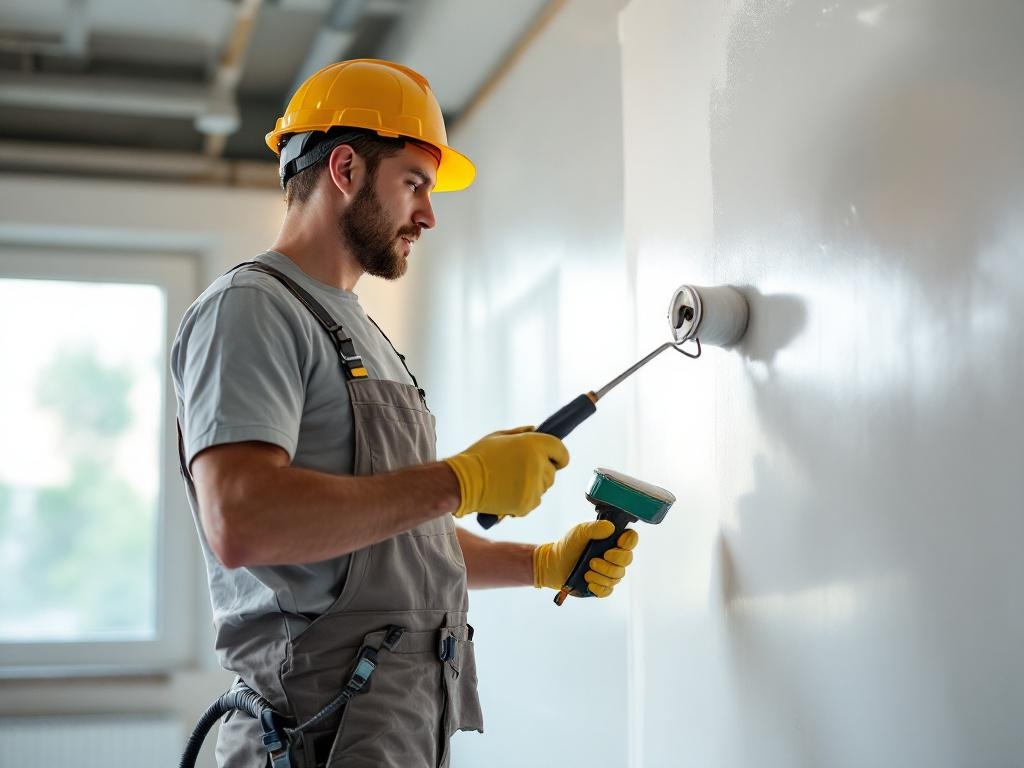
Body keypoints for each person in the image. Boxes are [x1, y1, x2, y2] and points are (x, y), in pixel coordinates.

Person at [171, 58, 640, 768]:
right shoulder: (253, 309)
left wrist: (540, 564)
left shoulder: (362, 329)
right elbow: (242, 520)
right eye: (414, 184)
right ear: (347, 170)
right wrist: (461, 480)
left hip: (394, 725)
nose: (428, 214)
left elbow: (392, 546)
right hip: (311, 738)